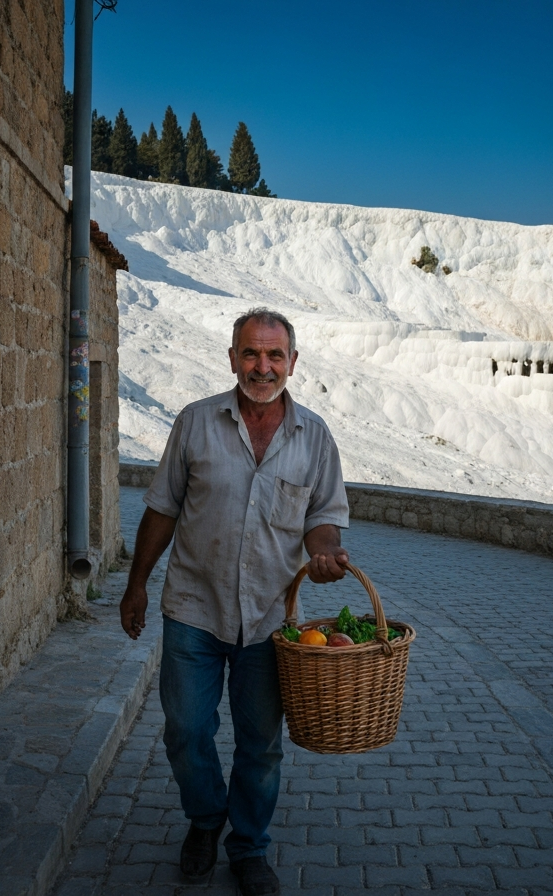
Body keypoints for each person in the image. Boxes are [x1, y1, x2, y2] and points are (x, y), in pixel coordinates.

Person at [120, 308, 350, 896]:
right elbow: (163, 508)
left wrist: (324, 554)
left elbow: (323, 518)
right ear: (231, 358)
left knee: (261, 745)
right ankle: (205, 820)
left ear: (293, 363)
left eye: (275, 356)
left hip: (273, 619)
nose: (262, 366)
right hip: (194, 608)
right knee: (185, 730)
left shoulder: (314, 436)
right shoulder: (195, 423)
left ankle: (248, 846)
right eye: (251, 354)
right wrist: (137, 583)